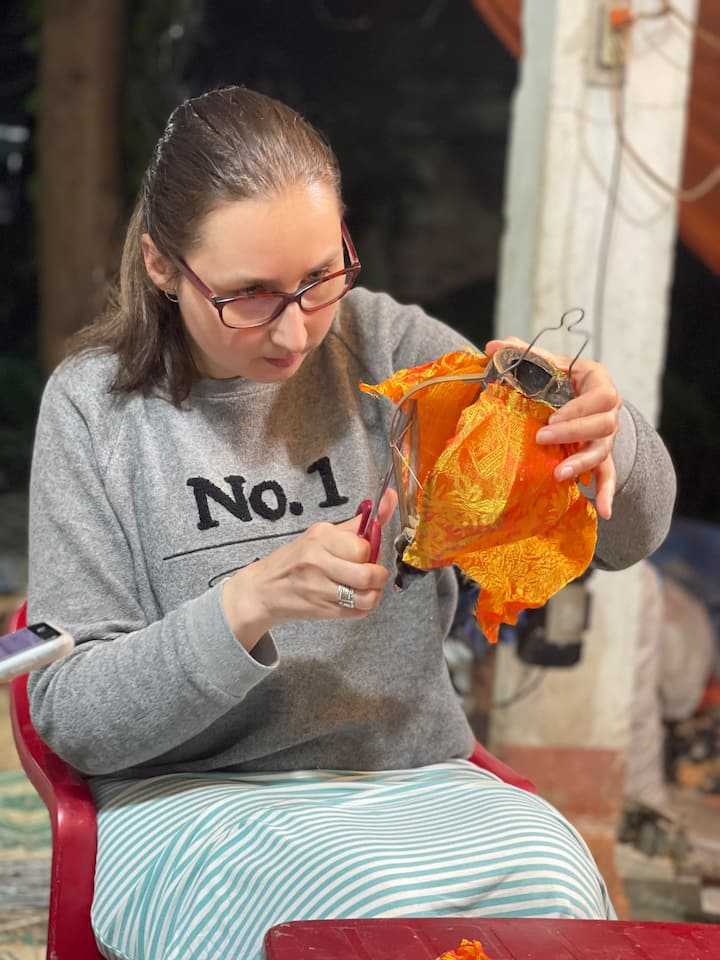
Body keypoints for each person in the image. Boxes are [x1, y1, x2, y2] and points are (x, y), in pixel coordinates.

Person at [27, 85, 676, 960]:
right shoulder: (96, 411)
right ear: (162, 266)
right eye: (249, 295)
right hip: (194, 798)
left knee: (556, 884)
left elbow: (631, 538)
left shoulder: (394, 350)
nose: (296, 333)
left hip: (416, 778)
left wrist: (607, 436)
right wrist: (247, 603)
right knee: (352, 920)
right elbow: (73, 716)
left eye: (319, 279)